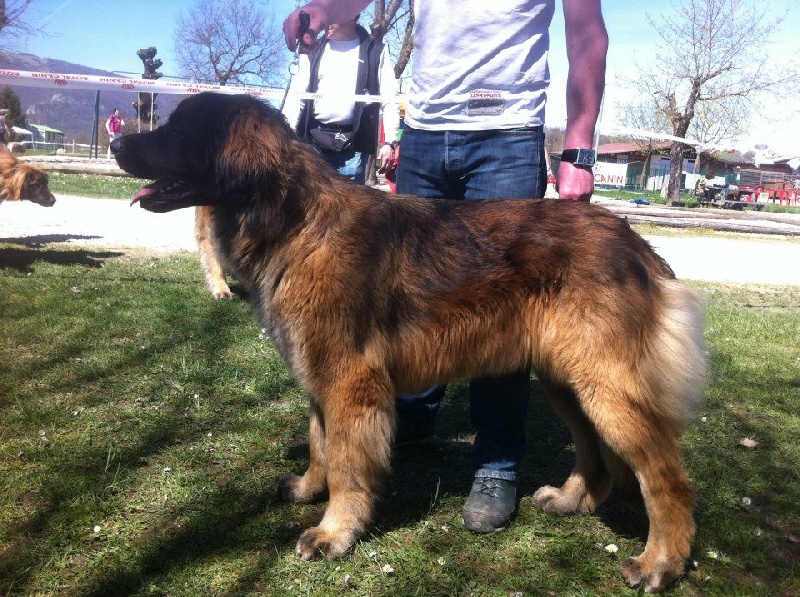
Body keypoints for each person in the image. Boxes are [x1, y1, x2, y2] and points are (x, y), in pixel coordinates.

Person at [285, 0, 608, 535]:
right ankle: (408, 428)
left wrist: (579, 146)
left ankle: (497, 463)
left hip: (505, 136)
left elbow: (587, 32)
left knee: (506, 317)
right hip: (425, 135)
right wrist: (319, 10)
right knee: (407, 305)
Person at [282, 14, 400, 184]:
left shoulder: (376, 51)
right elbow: (296, 97)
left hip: (354, 150)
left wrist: (390, 142)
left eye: (333, 11)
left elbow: (389, 98)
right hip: (312, 148)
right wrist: (285, 137)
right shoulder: (312, 49)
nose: (324, 19)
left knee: (351, 211)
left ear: (351, 12)